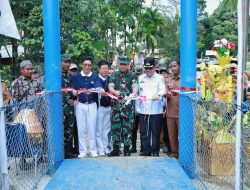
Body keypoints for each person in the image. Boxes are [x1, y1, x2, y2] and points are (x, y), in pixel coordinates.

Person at [10, 60, 42, 169]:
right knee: (22, 137)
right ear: (21, 70)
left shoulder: (36, 82)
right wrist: (17, 117)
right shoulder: (16, 83)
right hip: (22, 115)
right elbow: (14, 101)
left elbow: (40, 96)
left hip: (35, 114)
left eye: (31, 69)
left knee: (36, 136)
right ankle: (22, 160)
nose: (30, 71)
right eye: (27, 69)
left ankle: (37, 157)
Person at [71, 56, 104, 158]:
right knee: (81, 129)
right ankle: (83, 151)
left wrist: (99, 90)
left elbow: (100, 88)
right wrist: (74, 92)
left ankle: (93, 150)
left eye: (89, 65)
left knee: (92, 127)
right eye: (85, 65)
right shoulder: (76, 77)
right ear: (82, 65)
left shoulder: (95, 77)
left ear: (91, 66)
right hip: (80, 105)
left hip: (92, 105)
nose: (87, 67)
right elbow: (73, 90)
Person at [108, 56, 138, 156]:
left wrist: (133, 93)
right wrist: (114, 92)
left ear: (128, 65)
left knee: (127, 128)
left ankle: (126, 149)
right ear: (118, 64)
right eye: (121, 64)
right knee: (115, 127)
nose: (123, 66)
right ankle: (115, 149)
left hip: (128, 107)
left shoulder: (132, 75)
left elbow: (135, 87)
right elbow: (110, 86)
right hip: (116, 106)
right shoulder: (114, 75)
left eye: (125, 64)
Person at [136, 57, 166, 157]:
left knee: (155, 131)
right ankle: (146, 150)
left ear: (154, 67)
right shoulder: (141, 78)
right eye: (146, 68)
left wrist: (158, 95)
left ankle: (155, 151)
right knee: (144, 131)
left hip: (156, 109)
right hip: (143, 109)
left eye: (150, 68)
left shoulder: (159, 78)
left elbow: (163, 90)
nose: (148, 70)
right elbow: (138, 93)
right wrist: (137, 108)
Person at [61, 55, 78, 159]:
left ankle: (68, 151)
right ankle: (61, 151)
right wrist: (68, 99)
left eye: (69, 62)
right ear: (60, 62)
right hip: (60, 107)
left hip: (70, 108)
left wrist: (73, 99)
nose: (67, 64)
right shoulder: (56, 75)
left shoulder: (71, 76)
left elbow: (75, 90)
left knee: (70, 128)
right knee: (61, 129)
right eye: (65, 62)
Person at [165, 58, 180, 159]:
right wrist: (167, 94)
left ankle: (183, 153)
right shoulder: (168, 80)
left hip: (182, 112)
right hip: (170, 111)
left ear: (180, 66)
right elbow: (165, 93)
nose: (173, 68)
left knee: (182, 135)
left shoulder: (185, 79)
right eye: (171, 67)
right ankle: (174, 153)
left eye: (175, 66)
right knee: (172, 135)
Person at [96, 60, 112, 155]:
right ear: (99, 69)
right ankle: (100, 149)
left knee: (106, 129)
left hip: (108, 107)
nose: (105, 70)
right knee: (99, 129)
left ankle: (106, 147)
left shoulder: (110, 79)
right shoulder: (96, 78)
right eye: (103, 68)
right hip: (99, 107)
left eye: (106, 68)